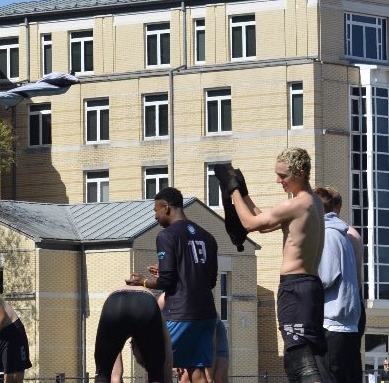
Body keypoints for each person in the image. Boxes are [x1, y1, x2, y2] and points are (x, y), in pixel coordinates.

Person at [224, 148, 329, 383]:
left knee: (298, 355)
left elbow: (250, 224)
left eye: (283, 176)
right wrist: (245, 194)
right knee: (313, 353)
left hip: (295, 288)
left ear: (300, 173)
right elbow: (264, 224)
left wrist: (233, 190)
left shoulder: (296, 204)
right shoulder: (314, 202)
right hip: (311, 287)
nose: (278, 180)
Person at [127, 187, 218, 383]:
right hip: (207, 315)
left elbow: (167, 281)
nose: (155, 216)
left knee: (155, 362)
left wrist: (142, 281)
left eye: (155, 210)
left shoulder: (167, 236)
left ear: (166, 208)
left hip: (181, 314)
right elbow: (210, 281)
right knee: (197, 370)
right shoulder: (208, 237)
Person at [312, 187, 362, 383]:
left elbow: (325, 276)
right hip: (346, 323)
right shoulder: (343, 234)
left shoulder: (329, 234)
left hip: (333, 324)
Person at [94, 277, 173, 383]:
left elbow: (115, 378)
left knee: (102, 374)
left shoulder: (117, 342)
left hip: (116, 301)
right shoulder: (156, 316)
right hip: (144, 303)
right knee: (156, 376)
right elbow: (167, 353)